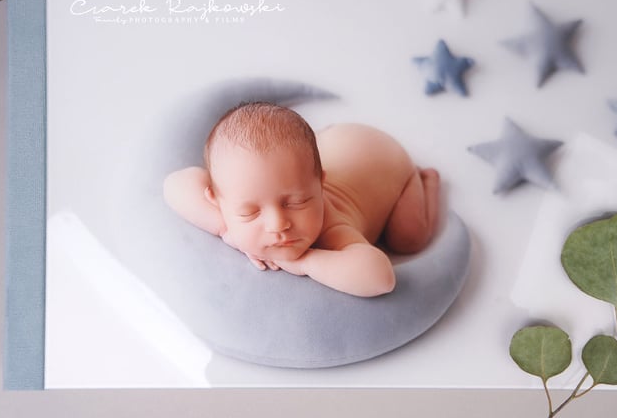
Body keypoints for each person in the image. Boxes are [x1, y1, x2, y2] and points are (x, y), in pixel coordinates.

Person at [163, 102, 440, 297]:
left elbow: (380, 278)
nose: (278, 224)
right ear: (215, 200)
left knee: (409, 238)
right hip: (335, 143)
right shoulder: (231, 199)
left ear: (321, 185)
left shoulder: (332, 226)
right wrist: (225, 229)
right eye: (250, 213)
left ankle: (423, 180)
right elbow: (173, 185)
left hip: (387, 158)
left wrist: (303, 263)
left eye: (296, 203)